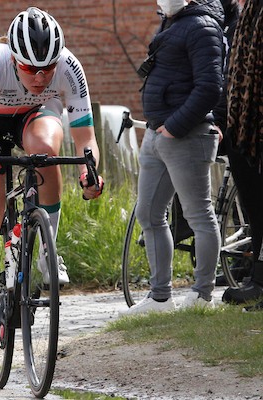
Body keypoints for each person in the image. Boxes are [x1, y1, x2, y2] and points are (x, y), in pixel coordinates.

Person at [0, 7, 104, 354]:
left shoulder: (70, 66)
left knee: (45, 152)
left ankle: (45, 250)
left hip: (33, 117)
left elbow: (85, 139)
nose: (39, 78)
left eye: (47, 69)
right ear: (14, 58)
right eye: (29, 69)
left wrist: (90, 172)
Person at [122, 0, 225, 315]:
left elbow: (210, 87)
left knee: (198, 216)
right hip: (156, 135)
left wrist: (175, 127)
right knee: (149, 214)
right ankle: (160, 299)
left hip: (185, 135)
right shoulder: (173, 21)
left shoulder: (202, 26)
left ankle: (202, 296)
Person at [220, 0, 263, 311]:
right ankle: (258, 281)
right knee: (256, 208)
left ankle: (259, 282)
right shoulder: (251, 11)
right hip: (247, 126)